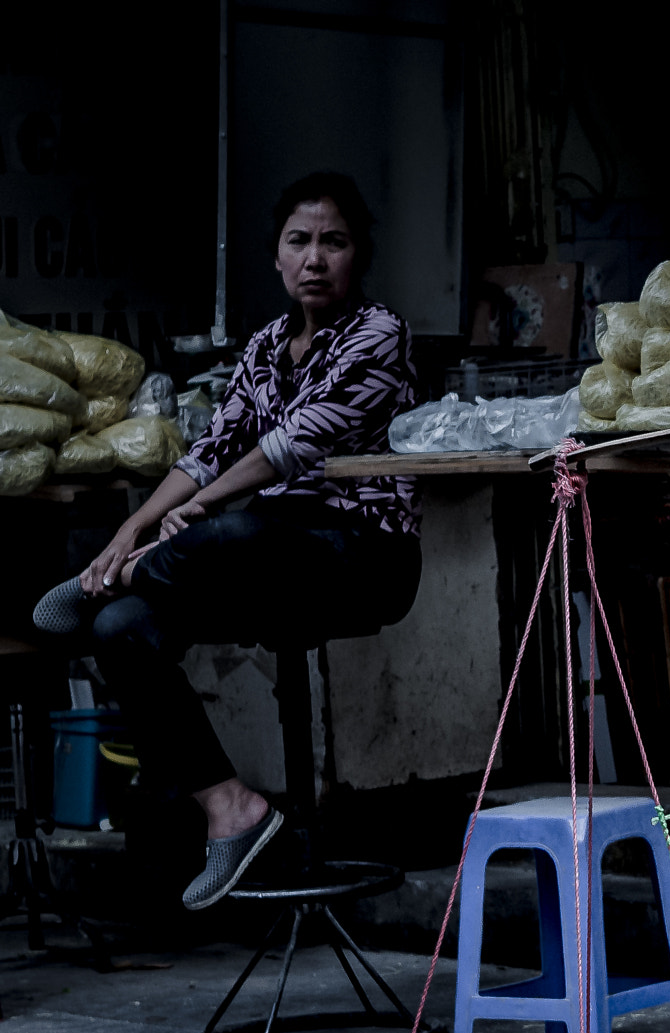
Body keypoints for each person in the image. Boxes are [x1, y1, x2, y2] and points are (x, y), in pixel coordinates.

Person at [34, 170, 420, 910]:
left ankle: (119, 575)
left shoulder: (381, 334)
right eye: (298, 242)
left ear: (357, 256)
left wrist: (193, 516)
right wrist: (134, 524)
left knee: (232, 529)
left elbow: (287, 448)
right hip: (265, 552)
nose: (315, 258)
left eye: (333, 243)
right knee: (122, 628)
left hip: (361, 554)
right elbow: (209, 449)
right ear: (275, 257)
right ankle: (230, 807)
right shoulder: (267, 345)